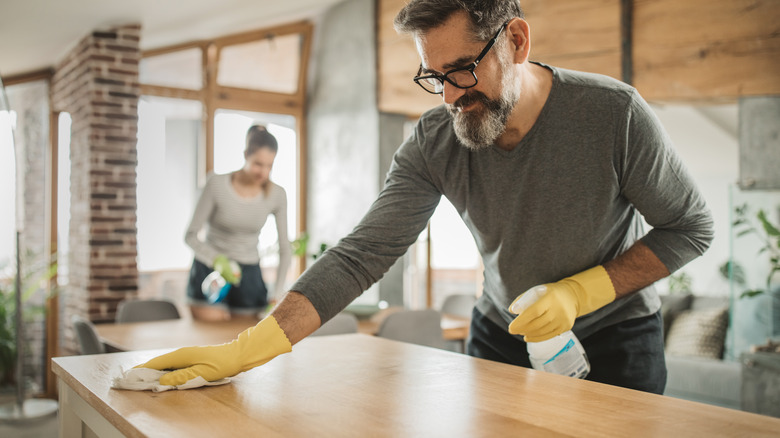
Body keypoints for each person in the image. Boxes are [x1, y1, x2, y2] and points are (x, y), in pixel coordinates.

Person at [139, 0, 713, 394]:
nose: (450, 96)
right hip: (502, 335)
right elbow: (362, 254)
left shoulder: (613, 115)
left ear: (515, 39)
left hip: (616, 338)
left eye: (463, 69)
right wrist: (253, 345)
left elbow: (691, 226)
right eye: (433, 77)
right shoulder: (436, 140)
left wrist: (582, 290)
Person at [184, 124, 291, 321]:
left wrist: (276, 294)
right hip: (210, 270)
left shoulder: (277, 195)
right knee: (209, 340)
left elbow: (285, 248)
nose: (264, 172)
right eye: (258, 164)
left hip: (249, 275)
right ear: (245, 155)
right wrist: (216, 260)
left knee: (243, 340)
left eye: (270, 165)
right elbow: (190, 235)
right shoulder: (216, 184)